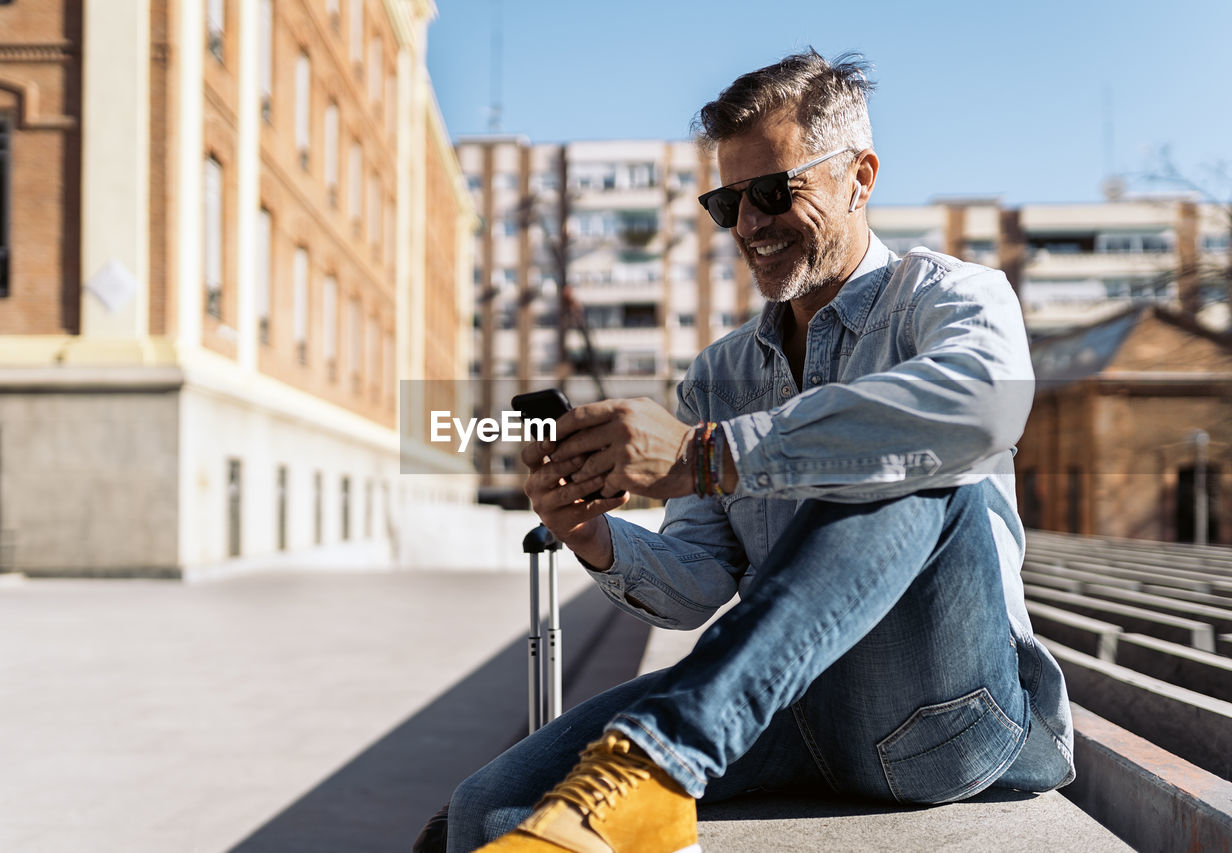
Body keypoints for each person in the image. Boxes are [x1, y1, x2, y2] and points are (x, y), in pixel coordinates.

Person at [446, 49, 1075, 853]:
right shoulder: (722, 372)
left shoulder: (952, 295)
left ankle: (661, 760)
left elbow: (982, 408)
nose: (748, 224)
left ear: (860, 176)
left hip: (945, 717)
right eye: (726, 201)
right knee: (490, 806)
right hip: (782, 710)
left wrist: (710, 453)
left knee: (910, 464)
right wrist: (592, 536)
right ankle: (659, 767)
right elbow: (698, 583)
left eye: (775, 191)